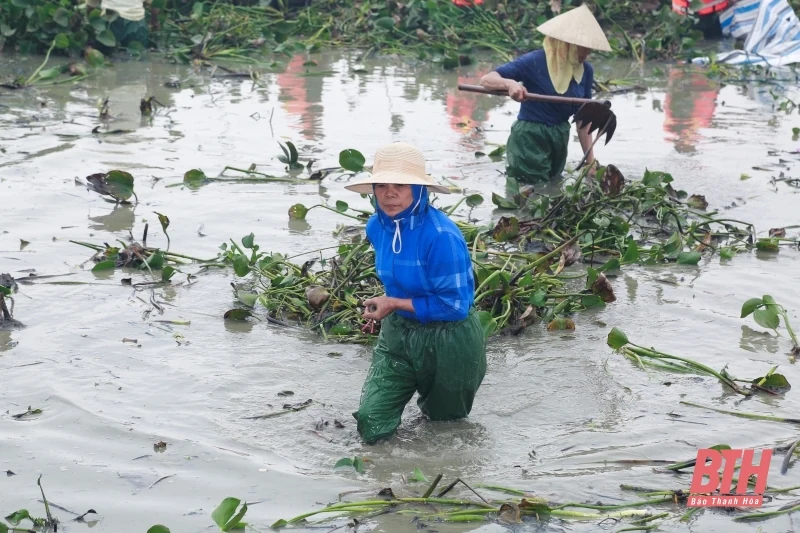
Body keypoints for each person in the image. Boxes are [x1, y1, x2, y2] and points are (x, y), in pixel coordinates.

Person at [345, 142, 487, 444]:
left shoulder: (442, 236)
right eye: (381, 185)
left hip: (450, 340)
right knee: (372, 422)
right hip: (399, 333)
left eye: (400, 185)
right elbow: (396, 279)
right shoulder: (376, 226)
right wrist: (386, 306)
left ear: (420, 190)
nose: (389, 193)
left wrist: (392, 303)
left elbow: (455, 307)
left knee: (444, 429)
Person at [479, 4, 611, 188]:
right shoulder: (535, 61)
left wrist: (590, 162)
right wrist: (510, 84)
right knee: (531, 194)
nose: (588, 53)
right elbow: (487, 79)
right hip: (530, 138)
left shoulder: (585, 71)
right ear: (568, 44)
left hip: (559, 137)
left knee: (552, 189)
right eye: (583, 47)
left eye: (590, 48)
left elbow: (584, 120)